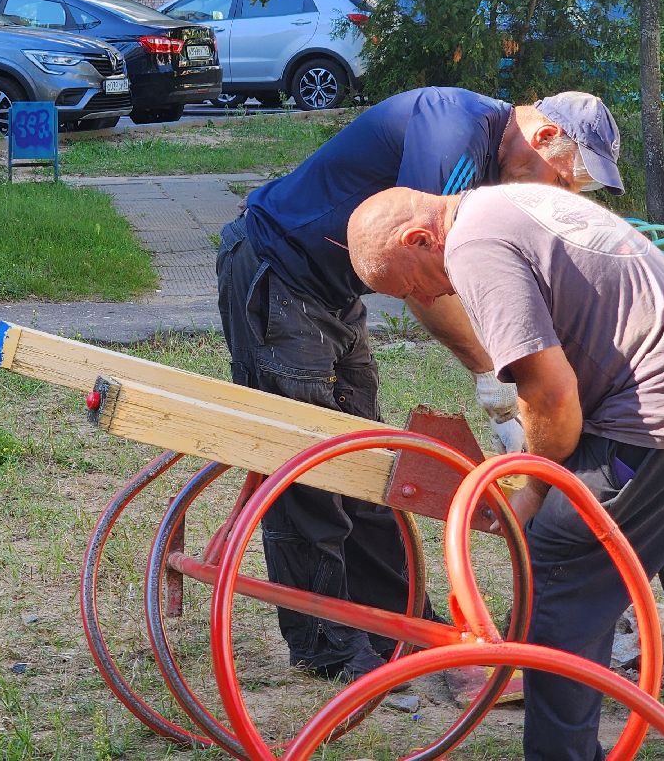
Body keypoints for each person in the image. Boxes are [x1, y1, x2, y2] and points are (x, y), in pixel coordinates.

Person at [346, 183, 664, 761]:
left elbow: (551, 393)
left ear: (419, 239)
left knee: (560, 575)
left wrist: (536, 486)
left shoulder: (473, 246)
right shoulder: (509, 200)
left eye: (412, 286)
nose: (430, 296)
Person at [215, 86, 624, 686]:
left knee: (367, 463)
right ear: (540, 138)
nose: (553, 198)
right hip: (277, 272)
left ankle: (396, 624)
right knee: (308, 465)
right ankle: (326, 645)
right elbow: (426, 278)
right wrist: (493, 374)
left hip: (332, 293)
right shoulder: (452, 132)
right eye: (562, 182)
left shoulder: (496, 161)